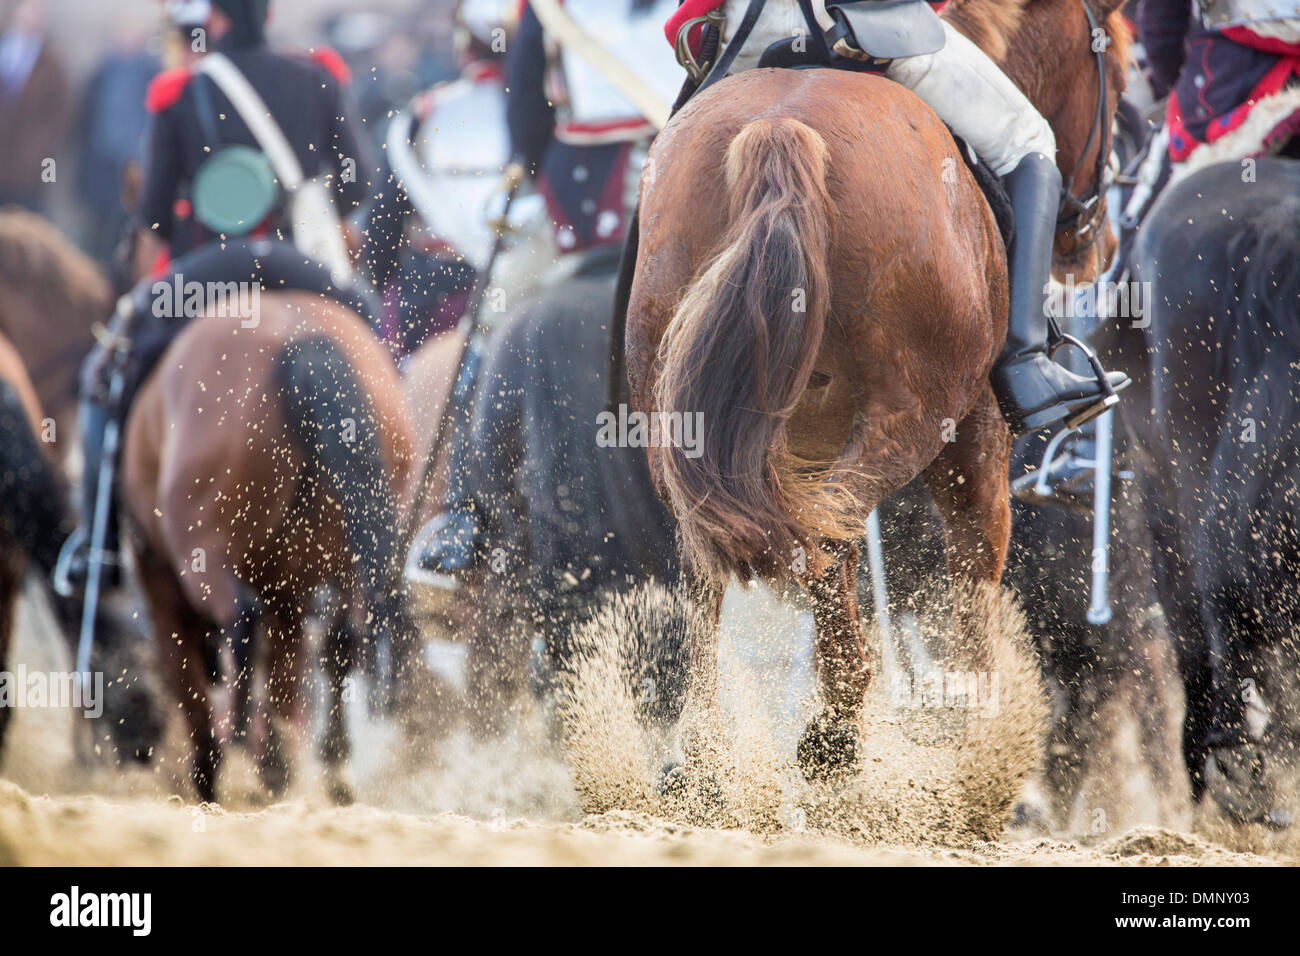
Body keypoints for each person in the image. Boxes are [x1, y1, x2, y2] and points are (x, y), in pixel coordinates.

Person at [666, 0, 1128, 437]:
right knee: (1027, 140)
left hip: (741, 31)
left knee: (667, 161)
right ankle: (1025, 365)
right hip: (858, 26)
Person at [55, 0, 377, 594]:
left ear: (217, 23)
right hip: (305, 269)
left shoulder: (180, 95)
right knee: (377, 346)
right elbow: (359, 182)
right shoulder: (319, 78)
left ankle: (99, 547)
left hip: (209, 273)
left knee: (111, 370)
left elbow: (152, 216)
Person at [414, 0, 682, 578]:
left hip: (585, 210)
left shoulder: (552, 8)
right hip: (692, 195)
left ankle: (466, 515)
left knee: (490, 320)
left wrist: (536, 162)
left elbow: (528, 123)